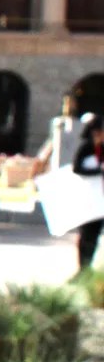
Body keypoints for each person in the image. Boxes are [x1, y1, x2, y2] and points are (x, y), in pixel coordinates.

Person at [74, 117, 104, 276]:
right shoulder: (86, 148)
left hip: (101, 198)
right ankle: (82, 267)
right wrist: (98, 172)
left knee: (96, 234)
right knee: (86, 233)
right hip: (89, 196)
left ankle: (89, 265)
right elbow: (76, 168)